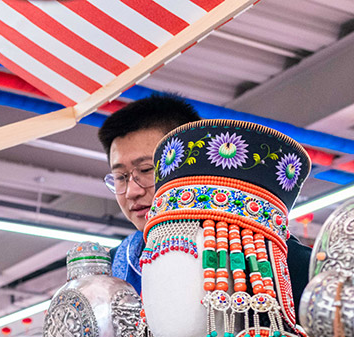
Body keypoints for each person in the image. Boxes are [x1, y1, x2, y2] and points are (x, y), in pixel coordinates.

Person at [98, 94, 312, 316]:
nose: (132, 191)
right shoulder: (109, 271)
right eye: (120, 177)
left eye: (146, 170)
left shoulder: (262, 251)